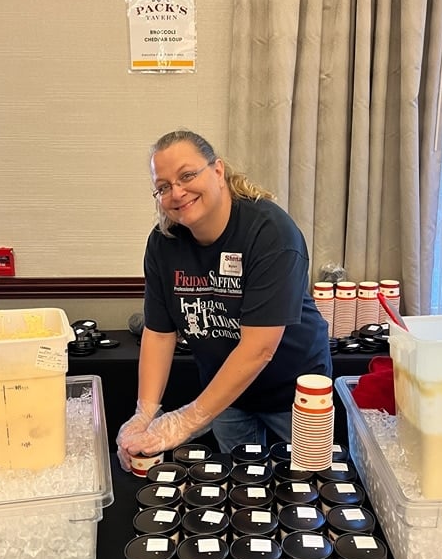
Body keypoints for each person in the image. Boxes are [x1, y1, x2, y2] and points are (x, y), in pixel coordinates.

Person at [116, 129, 331, 468]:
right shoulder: (163, 243)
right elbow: (159, 333)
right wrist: (145, 411)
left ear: (217, 171)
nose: (177, 192)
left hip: (294, 391)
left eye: (187, 175)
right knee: (242, 487)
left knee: (306, 487)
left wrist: (187, 420)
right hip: (225, 392)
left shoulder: (270, 231)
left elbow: (259, 347)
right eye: (164, 186)